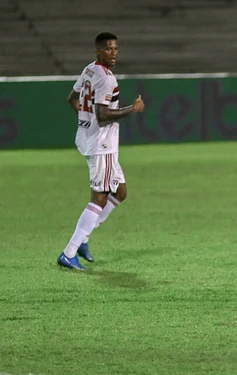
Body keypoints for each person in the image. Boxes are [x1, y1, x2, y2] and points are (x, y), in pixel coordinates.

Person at [57, 32, 145, 270]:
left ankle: (84, 239)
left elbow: (72, 99)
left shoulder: (89, 70)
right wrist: (133, 109)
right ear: (98, 51)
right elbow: (103, 115)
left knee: (121, 192)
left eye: (115, 48)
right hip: (101, 146)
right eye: (108, 49)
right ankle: (69, 251)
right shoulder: (106, 79)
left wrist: (85, 121)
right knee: (100, 197)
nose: (113, 52)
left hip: (90, 139)